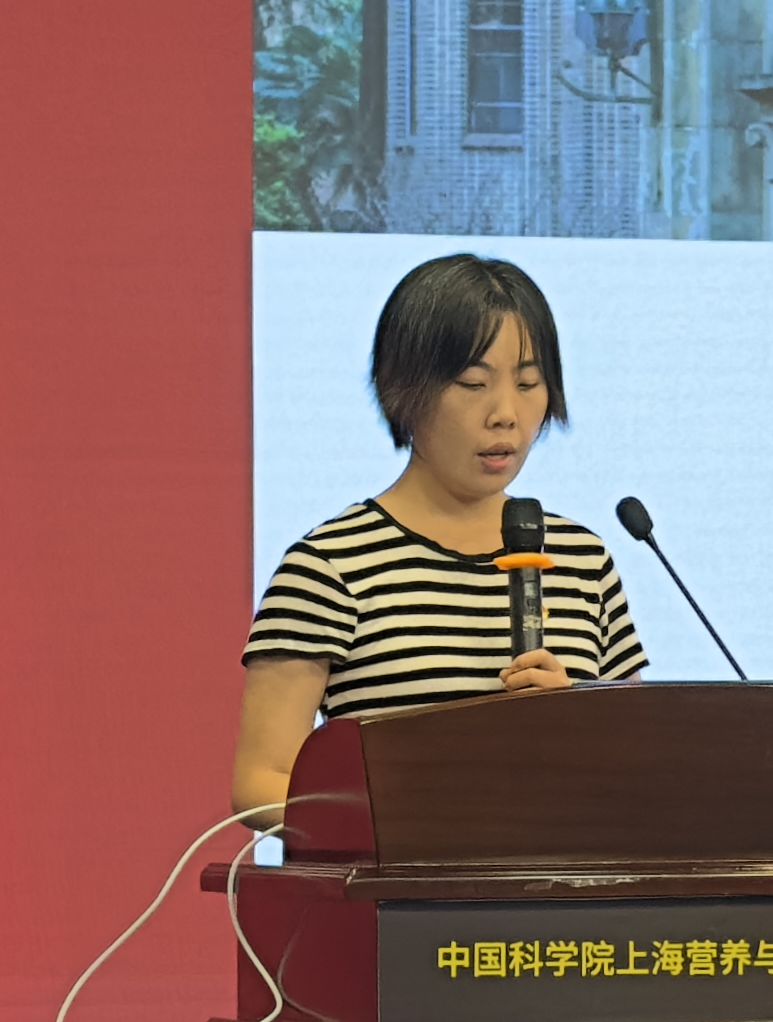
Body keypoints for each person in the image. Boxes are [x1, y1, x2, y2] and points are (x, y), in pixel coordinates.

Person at [235, 253, 648, 820]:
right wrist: (418, 819)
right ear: (402, 390)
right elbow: (262, 782)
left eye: (529, 384)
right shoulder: (330, 568)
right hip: (407, 875)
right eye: (473, 384)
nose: (506, 414)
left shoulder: (583, 560)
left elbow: (643, 766)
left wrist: (576, 727)